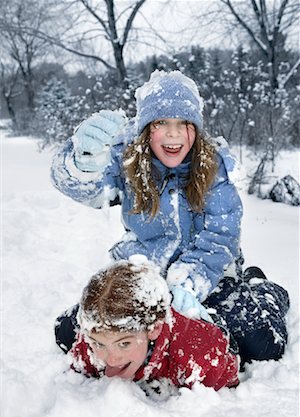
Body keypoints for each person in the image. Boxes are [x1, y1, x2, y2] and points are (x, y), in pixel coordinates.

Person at [51, 70, 289, 365]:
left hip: (209, 275)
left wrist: (188, 283)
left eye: (183, 123)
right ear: (146, 128)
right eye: (161, 122)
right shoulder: (127, 160)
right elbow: (87, 190)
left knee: (263, 345)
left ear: (196, 128)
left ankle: (261, 288)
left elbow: (221, 235)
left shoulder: (214, 168)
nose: (173, 133)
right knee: (68, 332)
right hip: (145, 274)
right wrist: (81, 163)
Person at [61, 256, 239, 392]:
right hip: (153, 312)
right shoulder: (91, 343)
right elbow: (80, 362)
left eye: (124, 343)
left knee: (257, 338)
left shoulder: (197, 356)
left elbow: (227, 376)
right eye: (99, 343)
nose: (111, 359)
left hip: (207, 321)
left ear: (154, 329)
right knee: (62, 330)